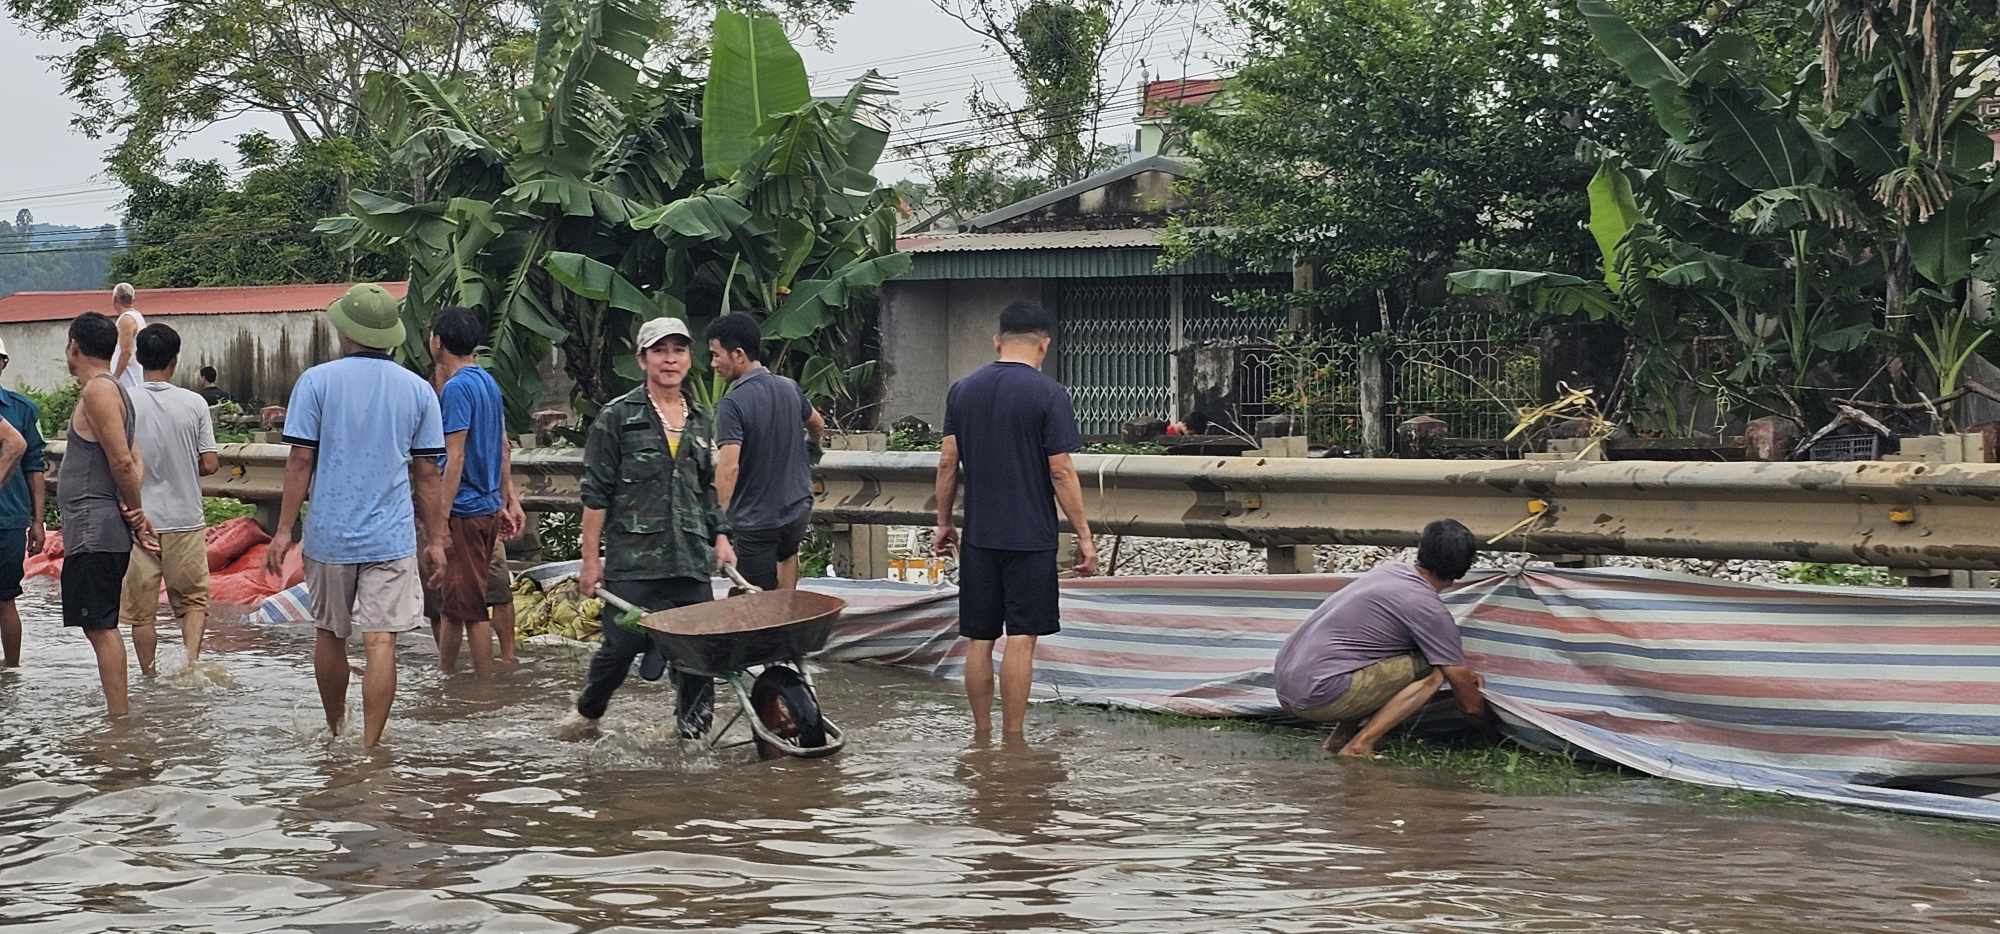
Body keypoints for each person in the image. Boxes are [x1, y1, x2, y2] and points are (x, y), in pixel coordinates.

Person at [266, 283, 448, 747]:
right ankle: (370, 746)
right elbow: (428, 474)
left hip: (330, 533)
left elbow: (300, 461)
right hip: (391, 536)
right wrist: (436, 539)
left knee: (329, 633)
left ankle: (334, 732)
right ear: (390, 335)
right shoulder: (418, 390)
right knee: (381, 641)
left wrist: (283, 531)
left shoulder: (316, 381)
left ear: (345, 332)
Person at [558, 317, 736, 742]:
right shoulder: (617, 417)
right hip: (634, 561)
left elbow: (707, 489)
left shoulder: (700, 419)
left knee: (698, 655)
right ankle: (587, 714)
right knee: (619, 648)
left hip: (689, 560)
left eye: (678, 350)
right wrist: (589, 562)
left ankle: (692, 740)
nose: (669, 359)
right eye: (659, 351)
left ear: (689, 360)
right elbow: (595, 494)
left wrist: (722, 538)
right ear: (642, 360)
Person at [931, 300, 1096, 740]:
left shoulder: (962, 390)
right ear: (1044, 345)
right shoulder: (1049, 394)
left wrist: (944, 521)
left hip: (979, 537)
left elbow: (948, 463)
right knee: (1021, 637)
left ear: (997, 341)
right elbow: (1060, 470)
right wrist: (1084, 536)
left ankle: (981, 735)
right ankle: (1014, 739)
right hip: (1031, 537)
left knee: (979, 638)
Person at [1273, 518, 1492, 758]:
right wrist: (1491, 729)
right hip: (1320, 696)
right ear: (1463, 567)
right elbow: (1469, 705)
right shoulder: (1428, 609)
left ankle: (1340, 740)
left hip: (1286, 687)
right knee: (1436, 668)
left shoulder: (1389, 571)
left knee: (1375, 658)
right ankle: (1361, 745)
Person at [58, 312, 156, 717]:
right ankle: (119, 713)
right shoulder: (114, 390)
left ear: (74, 346)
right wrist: (133, 511)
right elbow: (135, 458)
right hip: (98, 527)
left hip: (93, 529)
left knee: (100, 626)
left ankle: (119, 719)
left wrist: (135, 511)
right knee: (99, 623)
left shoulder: (98, 392)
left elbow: (122, 461)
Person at [423, 306, 524, 677]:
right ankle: (446, 678)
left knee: (472, 612)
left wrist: (442, 518)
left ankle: (482, 692)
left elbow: (455, 454)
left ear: (438, 342)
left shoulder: (456, 388)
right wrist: (505, 498)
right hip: (485, 507)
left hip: (465, 510)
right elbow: (502, 445)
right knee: (454, 606)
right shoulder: (488, 382)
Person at [118, 324, 220, 676]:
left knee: (141, 611)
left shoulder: (123, 400)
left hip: (137, 520)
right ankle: (189, 666)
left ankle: (148, 675)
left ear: (139, 358)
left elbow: (117, 460)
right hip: (185, 518)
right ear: (175, 362)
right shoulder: (194, 403)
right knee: (192, 600)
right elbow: (209, 462)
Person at [706, 312, 824, 591]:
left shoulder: (732, 404)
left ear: (738, 354)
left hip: (756, 522)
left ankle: (770, 631)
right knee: (787, 563)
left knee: (754, 608)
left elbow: (729, 467)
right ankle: (791, 625)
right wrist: (811, 450)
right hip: (797, 509)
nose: (713, 364)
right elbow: (818, 424)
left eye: (715, 355)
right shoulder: (789, 387)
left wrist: (719, 522)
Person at [0, 339, 45, 668]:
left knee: (6, 599)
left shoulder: (22, 409)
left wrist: (37, 520)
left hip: (8, 518)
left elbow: (35, 465)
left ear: (3, 364)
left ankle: (12, 671)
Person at [107, 282, 147, 393]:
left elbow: (126, 352)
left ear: (115, 299)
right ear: (133, 300)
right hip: (135, 373)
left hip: (129, 378)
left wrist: (115, 377)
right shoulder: (137, 316)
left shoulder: (126, 320)